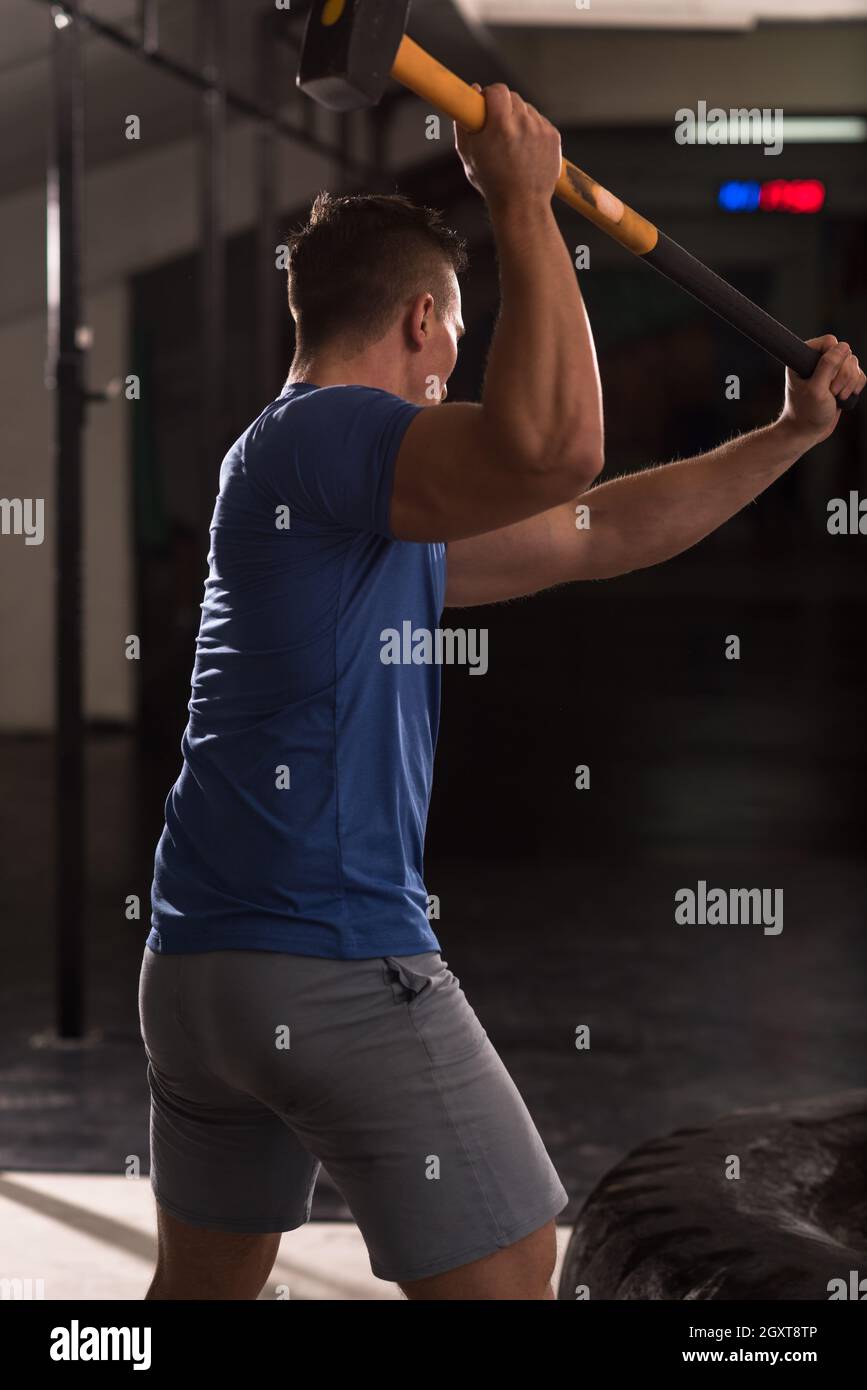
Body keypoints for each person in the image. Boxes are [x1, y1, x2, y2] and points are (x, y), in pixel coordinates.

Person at [139, 84, 864, 1302]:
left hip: (204, 969)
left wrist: (782, 440)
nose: (460, 364)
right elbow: (555, 450)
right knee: (517, 1269)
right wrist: (524, 204)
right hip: (331, 958)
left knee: (201, 1296)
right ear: (425, 321)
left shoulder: (339, 497)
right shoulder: (326, 436)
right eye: (460, 336)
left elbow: (589, 526)